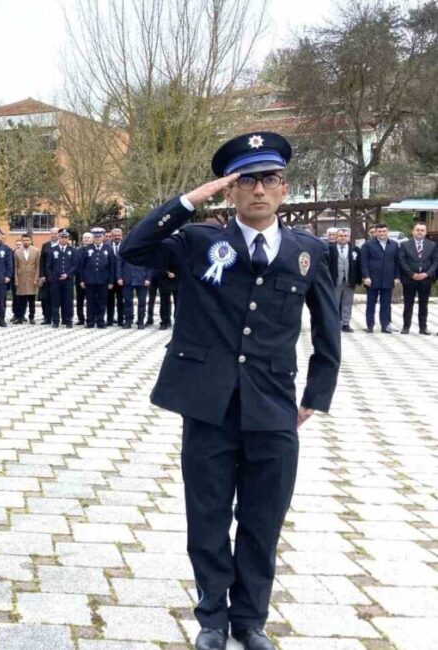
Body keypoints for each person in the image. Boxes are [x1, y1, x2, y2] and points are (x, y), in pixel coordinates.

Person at [121, 131, 340, 650]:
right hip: (208, 404)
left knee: (263, 519)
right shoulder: (198, 242)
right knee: (209, 516)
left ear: (284, 189)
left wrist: (316, 393)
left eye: (269, 180)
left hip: (273, 407)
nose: (258, 190)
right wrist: (190, 200)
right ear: (230, 190)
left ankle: (251, 620)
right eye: (246, 181)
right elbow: (136, 247)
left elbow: (328, 330)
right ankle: (212, 619)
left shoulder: (309, 253)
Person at [397, 222, 437, 334]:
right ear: (412, 231)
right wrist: (411, 273)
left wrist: (427, 273)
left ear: (426, 232)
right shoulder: (405, 245)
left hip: (426, 279)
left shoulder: (432, 245)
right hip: (409, 279)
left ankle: (423, 327)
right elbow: (402, 260)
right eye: (417, 230)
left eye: (422, 230)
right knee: (408, 303)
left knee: (424, 304)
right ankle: (406, 326)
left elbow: (435, 262)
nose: (420, 232)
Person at [359, 223, 399, 333]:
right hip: (372, 279)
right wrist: (366, 276)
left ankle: (385, 325)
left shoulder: (394, 245)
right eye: (379, 231)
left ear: (387, 232)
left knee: (386, 304)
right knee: (371, 303)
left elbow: (397, 262)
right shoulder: (368, 245)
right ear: (376, 232)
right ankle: (370, 325)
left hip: (388, 279)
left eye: (384, 231)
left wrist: (396, 277)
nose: (382, 233)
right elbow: (364, 262)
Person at [79, 227, 116, 328]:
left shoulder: (108, 249)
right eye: (96, 237)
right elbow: (82, 266)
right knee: (90, 302)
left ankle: (100, 321)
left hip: (103, 280)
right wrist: (82, 280)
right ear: (93, 238)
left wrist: (111, 281)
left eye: (100, 236)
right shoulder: (87, 249)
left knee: (102, 302)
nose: (98, 238)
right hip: (90, 280)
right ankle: (90, 321)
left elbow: (112, 266)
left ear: (103, 237)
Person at [328, 228, 362, 332]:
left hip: (349, 281)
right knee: (334, 303)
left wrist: (359, 280)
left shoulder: (355, 250)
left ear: (349, 237)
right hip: (335, 281)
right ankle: (333, 324)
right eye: (340, 236)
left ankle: (345, 323)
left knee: (347, 303)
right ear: (336, 237)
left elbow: (359, 265)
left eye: (345, 236)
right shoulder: (329, 249)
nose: (343, 238)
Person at [46, 229, 77, 328]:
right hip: (56, 281)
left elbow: (75, 265)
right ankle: (55, 321)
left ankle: (68, 321)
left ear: (68, 239)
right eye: (62, 237)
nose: (64, 239)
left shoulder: (72, 250)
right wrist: (51, 277)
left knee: (68, 301)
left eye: (66, 237)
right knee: (55, 301)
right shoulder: (53, 250)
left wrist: (68, 274)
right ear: (58, 238)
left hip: (67, 281)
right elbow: (48, 266)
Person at [116, 251, 151, 329]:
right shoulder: (125, 249)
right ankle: (128, 320)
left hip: (142, 279)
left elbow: (150, 264)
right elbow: (119, 265)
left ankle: (140, 321)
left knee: (142, 302)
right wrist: (119, 277)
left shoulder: (144, 249)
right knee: (127, 302)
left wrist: (148, 278)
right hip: (127, 279)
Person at [12, 234, 41, 323]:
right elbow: (15, 267)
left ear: (30, 241)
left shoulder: (36, 251)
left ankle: (31, 317)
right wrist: (16, 279)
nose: (25, 242)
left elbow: (38, 266)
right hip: (21, 279)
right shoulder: (17, 252)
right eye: (24, 240)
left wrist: (36, 278)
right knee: (21, 300)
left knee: (31, 300)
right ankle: (20, 317)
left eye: (27, 240)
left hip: (32, 279)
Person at [38, 227, 59, 324]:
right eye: (52, 233)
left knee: (56, 297)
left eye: (56, 233)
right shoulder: (45, 245)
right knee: (45, 297)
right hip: (46, 276)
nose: (54, 235)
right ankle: (47, 317)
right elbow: (41, 261)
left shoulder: (62, 245)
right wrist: (41, 275)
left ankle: (56, 317)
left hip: (58, 277)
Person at [107, 227, 124, 325]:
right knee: (109, 300)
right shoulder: (106, 246)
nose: (117, 237)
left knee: (121, 300)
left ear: (121, 236)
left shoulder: (125, 246)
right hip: (110, 279)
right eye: (115, 235)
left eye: (119, 235)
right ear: (111, 236)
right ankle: (110, 319)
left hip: (121, 278)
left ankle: (121, 320)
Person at [75, 232, 92, 324]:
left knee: (91, 299)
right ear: (82, 239)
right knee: (80, 300)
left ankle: (92, 317)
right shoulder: (77, 250)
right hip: (79, 278)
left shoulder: (95, 249)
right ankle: (80, 318)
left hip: (91, 279)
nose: (87, 239)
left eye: (89, 237)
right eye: (85, 237)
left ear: (92, 239)